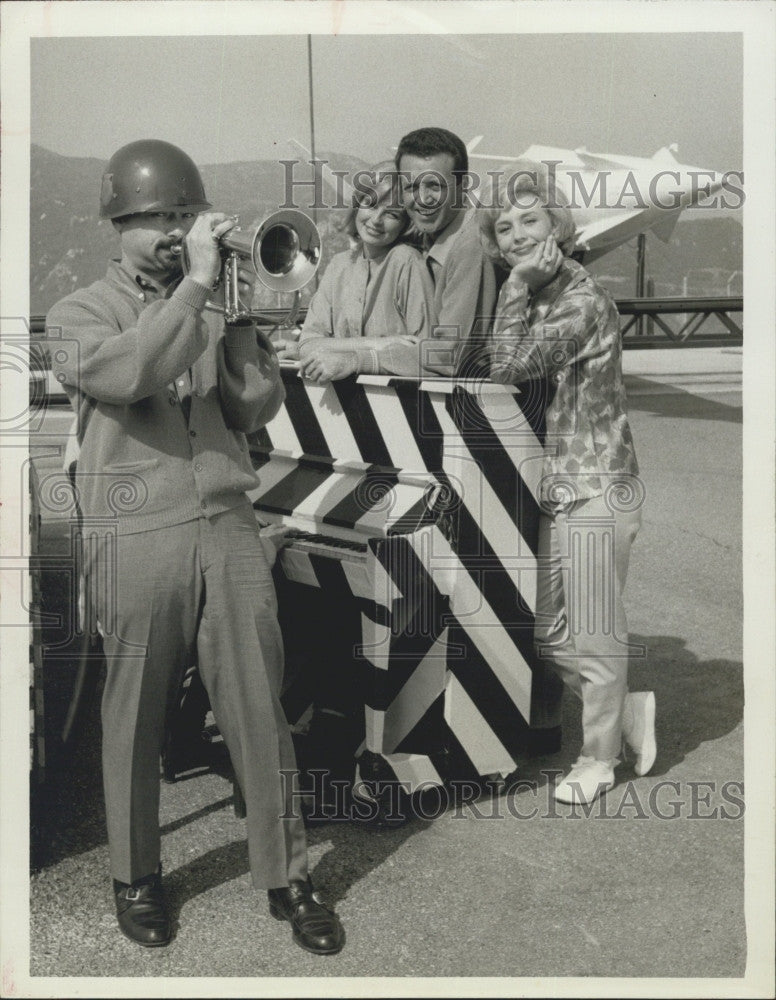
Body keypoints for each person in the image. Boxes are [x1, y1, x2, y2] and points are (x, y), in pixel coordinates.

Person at [46, 139, 345, 954]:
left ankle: (287, 873)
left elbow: (251, 412)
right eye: (160, 219)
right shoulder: (77, 313)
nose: (176, 232)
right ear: (120, 223)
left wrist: (241, 321)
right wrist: (203, 289)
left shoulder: (211, 302)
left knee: (259, 700)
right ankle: (136, 873)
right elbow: (129, 373)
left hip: (227, 522)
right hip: (136, 527)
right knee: (135, 711)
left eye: (186, 215)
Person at [479, 164, 657, 805]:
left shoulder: (580, 301)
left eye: (530, 219)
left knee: (593, 630)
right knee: (547, 629)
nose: (517, 234)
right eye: (504, 228)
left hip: (599, 485)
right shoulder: (547, 299)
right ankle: (627, 711)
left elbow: (509, 366)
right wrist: (524, 288)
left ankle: (598, 759)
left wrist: (514, 287)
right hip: (562, 488)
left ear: (558, 226)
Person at [295, 162, 436, 382]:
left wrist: (350, 357)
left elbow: (428, 353)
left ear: (405, 224)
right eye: (370, 204)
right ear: (357, 204)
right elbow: (307, 345)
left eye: (392, 214)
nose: (376, 220)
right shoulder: (339, 265)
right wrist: (375, 344)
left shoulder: (406, 261)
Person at [395, 127, 498, 377]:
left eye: (434, 186)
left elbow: (448, 355)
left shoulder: (471, 244)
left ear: (462, 186)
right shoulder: (427, 234)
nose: (422, 199)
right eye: (410, 187)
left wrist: (360, 358)